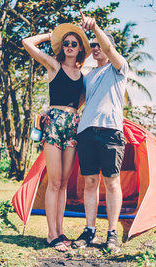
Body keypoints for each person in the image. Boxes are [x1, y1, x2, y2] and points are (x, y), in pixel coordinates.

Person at [22, 24, 91, 252]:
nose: (69, 46)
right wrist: (51, 36)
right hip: (53, 127)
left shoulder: (83, 76)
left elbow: (80, 100)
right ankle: (51, 235)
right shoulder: (54, 65)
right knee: (53, 182)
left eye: (74, 43)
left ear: (80, 48)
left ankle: (60, 231)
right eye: (66, 43)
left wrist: (69, 114)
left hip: (72, 126)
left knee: (63, 184)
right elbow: (27, 43)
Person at [72, 12, 129, 253]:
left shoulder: (119, 67)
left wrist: (95, 28)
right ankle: (90, 230)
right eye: (92, 45)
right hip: (86, 132)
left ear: (109, 47)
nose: (95, 47)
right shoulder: (88, 76)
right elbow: (77, 102)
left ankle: (112, 233)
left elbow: (106, 43)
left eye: (99, 44)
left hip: (110, 132)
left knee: (112, 182)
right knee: (90, 182)